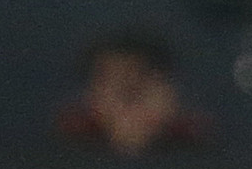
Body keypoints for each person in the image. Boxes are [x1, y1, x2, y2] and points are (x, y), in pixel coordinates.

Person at [55, 31, 212, 156]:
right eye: (114, 86)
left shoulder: (204, 149)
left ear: (170, 93)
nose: (127, 104)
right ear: (90, 95)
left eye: (139, 90)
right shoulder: (61, 150)